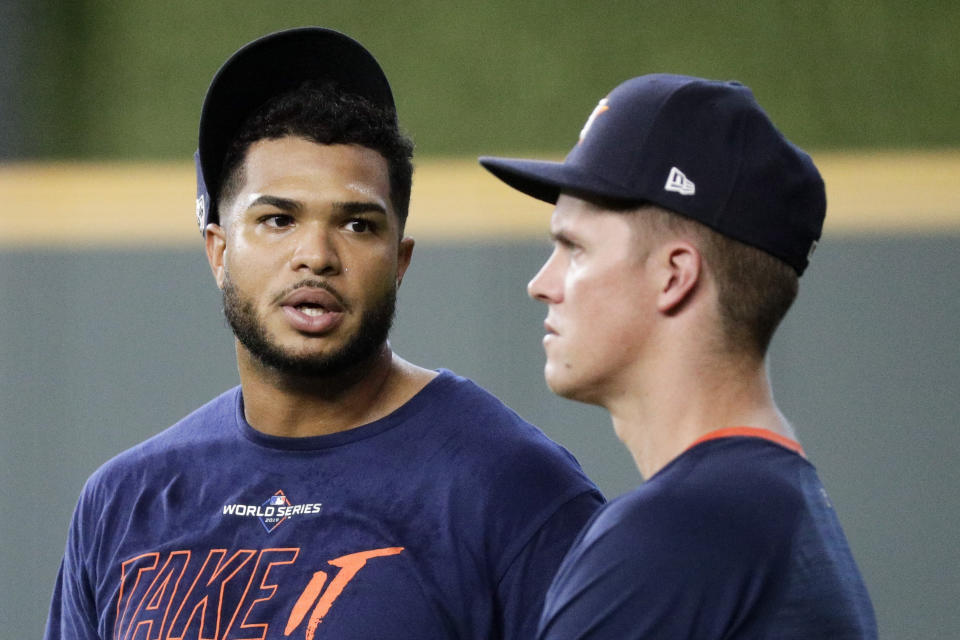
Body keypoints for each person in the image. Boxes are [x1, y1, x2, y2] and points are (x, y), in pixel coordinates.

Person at [44, 27, 603, 640]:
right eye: (278, 219)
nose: (316, 254)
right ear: (218, 251)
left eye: (358, 225)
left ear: (400, 260)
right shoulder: (126, 500)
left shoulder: (512, 486)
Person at [480, 74, 878, 638]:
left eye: (574, 248)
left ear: (674, 276)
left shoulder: (677, 536)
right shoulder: (767, 508)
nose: (541, 284)